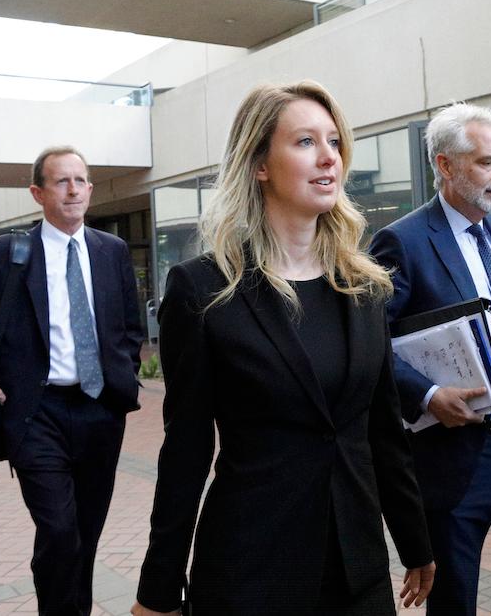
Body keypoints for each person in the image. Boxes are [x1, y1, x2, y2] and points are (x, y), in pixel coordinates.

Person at [132, 81, 434, 615]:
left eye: (335, 142)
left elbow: (383, 431)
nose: (328, 159)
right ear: (259, 165)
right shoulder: (203, 290)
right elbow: (186, 450)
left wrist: (415, 542)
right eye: (304, 142)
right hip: (251, 569)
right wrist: (157, 591)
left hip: (357, 570)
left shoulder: (365, 287)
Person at [0, 146, 144, 615]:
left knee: (85, 532)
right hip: (36, 414)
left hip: (100, 409)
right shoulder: (6, 254)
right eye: (61, 181)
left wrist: (125, 378)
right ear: (38, 192)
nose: (73, 190)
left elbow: (128, 328)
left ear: (90, 189)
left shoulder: (111, 251)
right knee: (57, 529)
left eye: (80, 181)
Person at [368, 103, 491, 616]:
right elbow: (371, 342)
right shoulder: (403, 241)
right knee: (455, 598)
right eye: (486, 162)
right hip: (454, 457)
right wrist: (426, 395)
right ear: (445, 166)